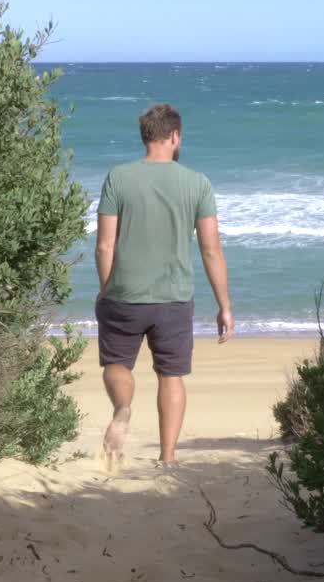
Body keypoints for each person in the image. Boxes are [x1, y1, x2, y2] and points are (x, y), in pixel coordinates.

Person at [94, 103, 233, 467]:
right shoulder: (197, 183)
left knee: (117, 364)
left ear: (145, 136)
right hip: (173, 299)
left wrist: (107, 287)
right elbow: (211, 250)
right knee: (171, 376)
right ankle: (167, 459)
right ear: (174, 136)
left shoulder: (118, 178)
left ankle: (123, 409)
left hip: (124, 295)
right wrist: (225, 305)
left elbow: (105, 245)